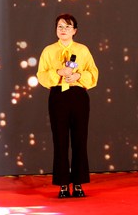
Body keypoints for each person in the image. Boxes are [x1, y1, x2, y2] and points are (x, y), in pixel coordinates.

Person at [36, 13, 99, 199]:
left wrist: (78, 76)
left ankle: (78, 183)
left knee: (80, 140)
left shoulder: (82, 50)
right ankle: (63, 184)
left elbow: (93, 72)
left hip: (78, 96)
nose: (63, 30)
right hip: (58, 97)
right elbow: (41, 75)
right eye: (60, 27)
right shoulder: (48, 51)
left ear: (75, 30)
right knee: (60, 141)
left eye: (67, 27)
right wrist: (58, 72)